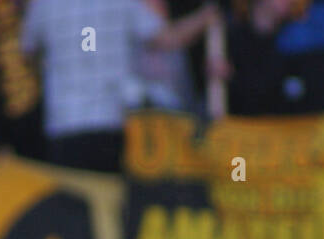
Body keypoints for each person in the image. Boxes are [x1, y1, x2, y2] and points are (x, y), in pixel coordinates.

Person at [20, 0, 220, 172]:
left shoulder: (44, 4)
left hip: (65, 124)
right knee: (110, 205)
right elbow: (168, 38)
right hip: (110, 122)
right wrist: (206, 16)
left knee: (69, 208)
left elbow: (26, 52)